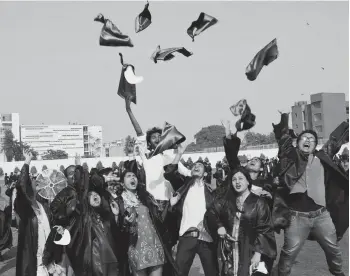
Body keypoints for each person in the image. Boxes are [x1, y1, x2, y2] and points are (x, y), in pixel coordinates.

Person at [273, 113, 348, 276]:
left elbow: (335, 140)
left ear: (315, 145)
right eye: (303, 138)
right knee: (289, 252)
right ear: (297, 142)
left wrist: (347, 123)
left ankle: (338, 272)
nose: (307, 140)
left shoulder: (322, 157)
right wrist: (284, 119)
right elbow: (284, 140)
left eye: (311, 139)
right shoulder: (290, 158)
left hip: (322, 215)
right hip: (296, 217)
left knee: (333, 249)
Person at [205, 167, 277, 276]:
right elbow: (211, 212)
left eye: (241, 178)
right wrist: (219, 226)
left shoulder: (259, 203)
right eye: (234, 179)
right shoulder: (227, 201)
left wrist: (258, 253)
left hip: (250, 249)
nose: (237, 182)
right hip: (229, 251)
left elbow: (265, 230)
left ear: (248, 181)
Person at [163, 144, 219, 276]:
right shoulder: (183, 186)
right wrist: (179, 154)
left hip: (207, 238)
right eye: (194, 165)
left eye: (200, 166)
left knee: (213, 273)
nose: (196, 166)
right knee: (179, 273)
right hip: (187, 237)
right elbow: (170, 173)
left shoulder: (212, 191)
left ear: (205, 173)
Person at [115, 169, 179, 276]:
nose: (132, 178)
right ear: (122, 183)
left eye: (134, 176)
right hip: (135, 247)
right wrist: (123, 220)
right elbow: (116, 227)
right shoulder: (119, 202)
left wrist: (170, 204)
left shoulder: (146, 197)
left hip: (154, 244)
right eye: (128, 176)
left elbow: (159, 217)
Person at [14, 151, 52, 276]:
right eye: (34, 180)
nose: (37, 180)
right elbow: (21, 185)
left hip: (46, 262)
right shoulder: (24, 208)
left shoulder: (43, 206)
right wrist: (27, 162)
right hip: (32, 263)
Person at [221, 120, 272, 198]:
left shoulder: (265, 183)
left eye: (256, 160)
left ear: (261, 168)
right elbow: (231, 155)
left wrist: (269, 196)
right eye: (251, 159)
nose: (253, 160)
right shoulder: (238, 173)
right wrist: (227, 130)